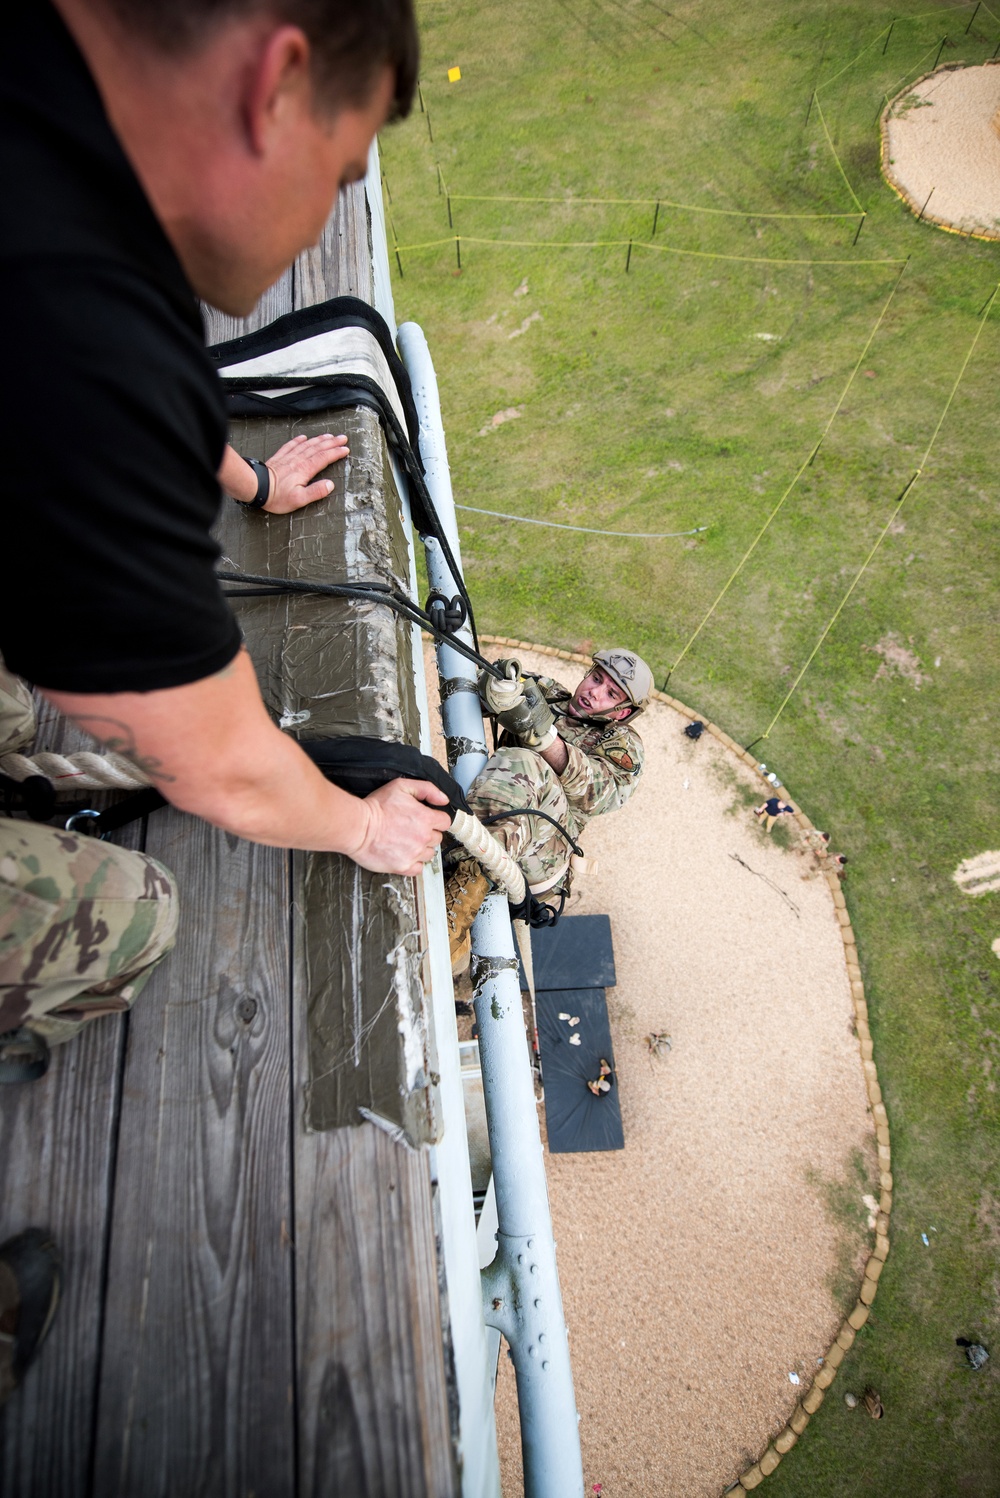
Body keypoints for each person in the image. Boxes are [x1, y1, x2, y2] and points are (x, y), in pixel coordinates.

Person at [0, 0, 444, 1400]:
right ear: (281, 82)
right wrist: (362, 829)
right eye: (346, 168)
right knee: (124, 912)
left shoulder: (46, 101)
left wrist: (245, 478)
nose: (331, 216)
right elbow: (224, 768)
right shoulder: (66, 326)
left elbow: (108, 367)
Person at [445, 650, 651, 971]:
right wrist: (497, 684)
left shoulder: (623, 746)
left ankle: (455, 921)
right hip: (507, 821)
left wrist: (542, 735)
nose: (594, 693)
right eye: (596, 678)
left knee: (525, 761)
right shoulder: (548, 694)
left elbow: (597, 793)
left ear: (623, 713)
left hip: (544, 852)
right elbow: (481, 691)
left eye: (611, 694)